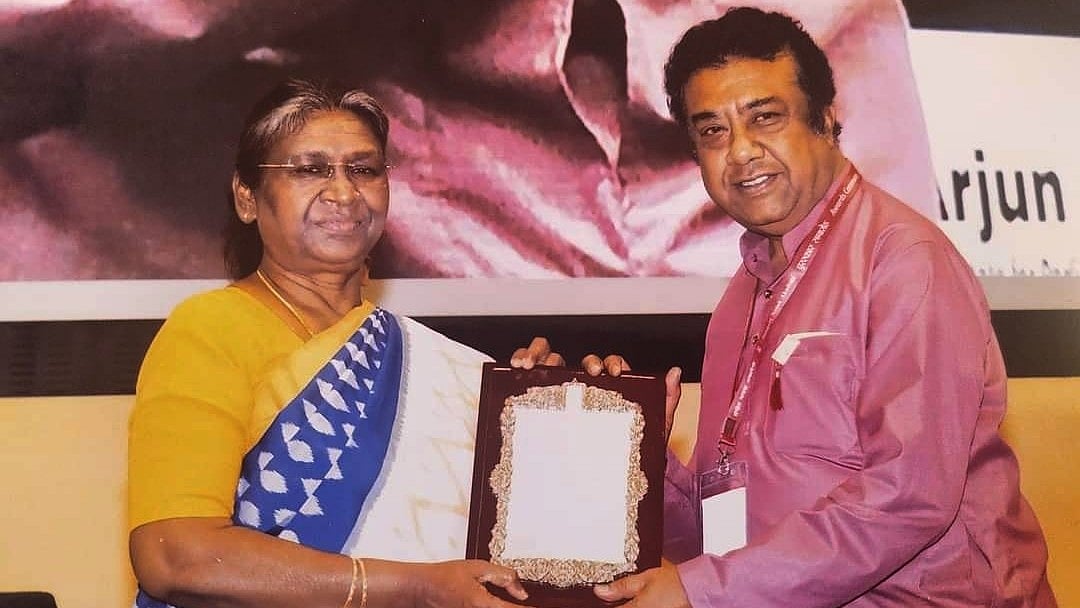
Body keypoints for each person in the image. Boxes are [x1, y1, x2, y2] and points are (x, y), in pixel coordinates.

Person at [514, 7, 1055, 607]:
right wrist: (631, 451)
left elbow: (907, 500)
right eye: (712, 132)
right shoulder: (740, 301)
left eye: (764, 118)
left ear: (825, 121)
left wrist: (699, 593)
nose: (741, 152)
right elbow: (718, 532)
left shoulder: (904, 262)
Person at [126, 79, 529, 608]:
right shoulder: (210, 330)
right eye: (310, 169)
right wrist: (416, 587)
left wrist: (543, 414)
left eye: (364, 170)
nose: (344, 192)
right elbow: (175, 556)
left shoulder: (433, 364)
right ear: (248, 197)